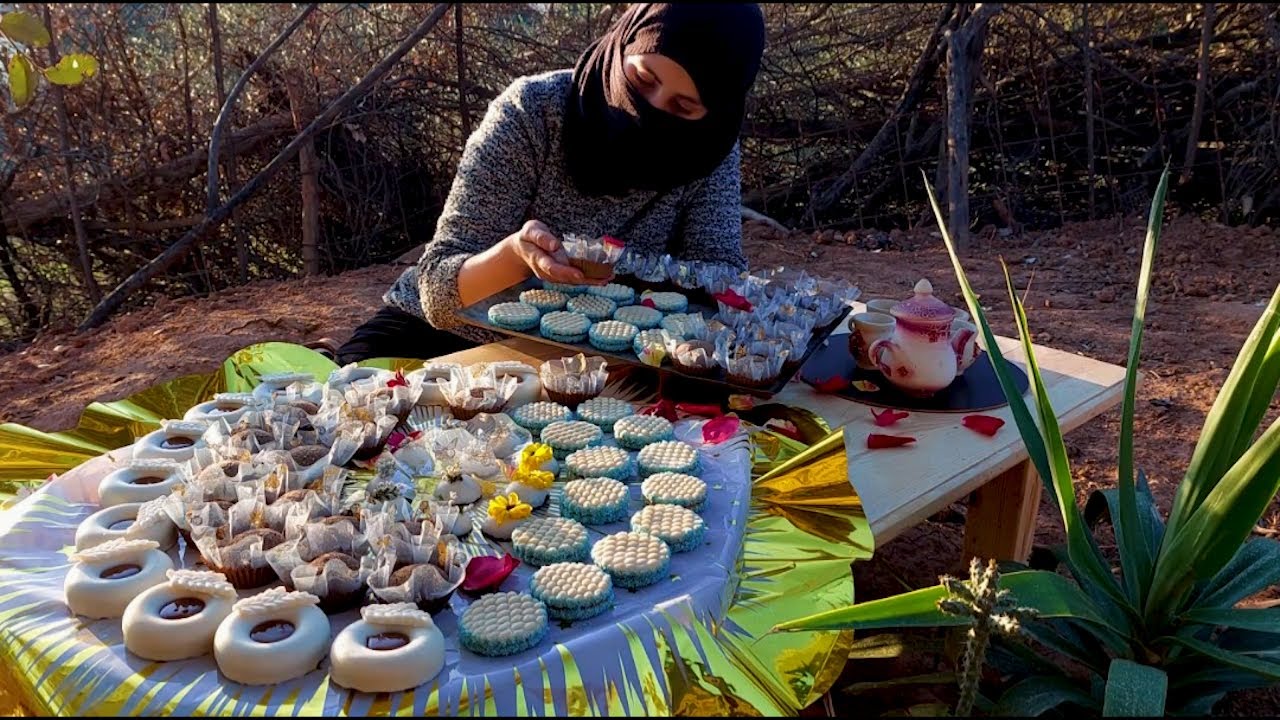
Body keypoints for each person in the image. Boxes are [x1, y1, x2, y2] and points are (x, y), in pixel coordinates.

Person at [332, 3, 767, 365]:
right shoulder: (533, 113)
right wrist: (517, 258)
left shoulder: (708, 154)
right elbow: (437, 294)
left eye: (683, 107)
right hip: (446, 337)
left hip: (604, 358)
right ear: (624, 43)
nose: (648, 111)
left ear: (715, 116)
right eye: (642, 80)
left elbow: (720, 281)